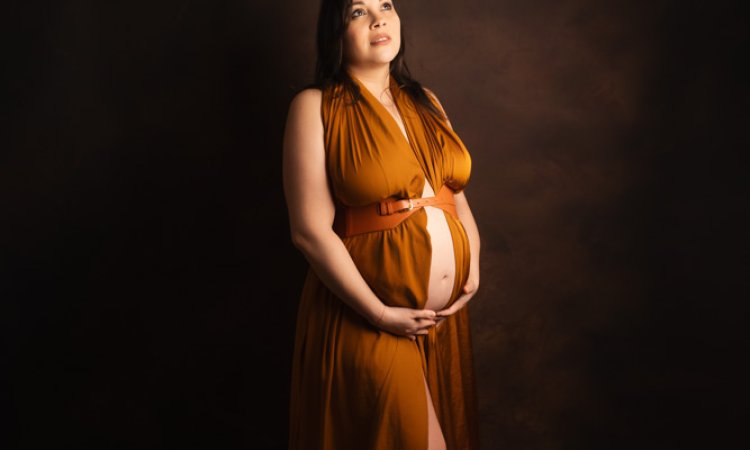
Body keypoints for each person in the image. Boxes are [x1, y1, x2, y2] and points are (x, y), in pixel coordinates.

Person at [282, 0, 481, 448]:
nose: (378, 18)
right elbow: (309, 231)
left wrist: (474, 265)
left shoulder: (425, 101)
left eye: (386, 5)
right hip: (367, 316)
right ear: (336, 31)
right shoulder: (314, 106)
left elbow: (453, 194)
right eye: (358, 11)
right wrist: (380, 313)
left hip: (439, 324)